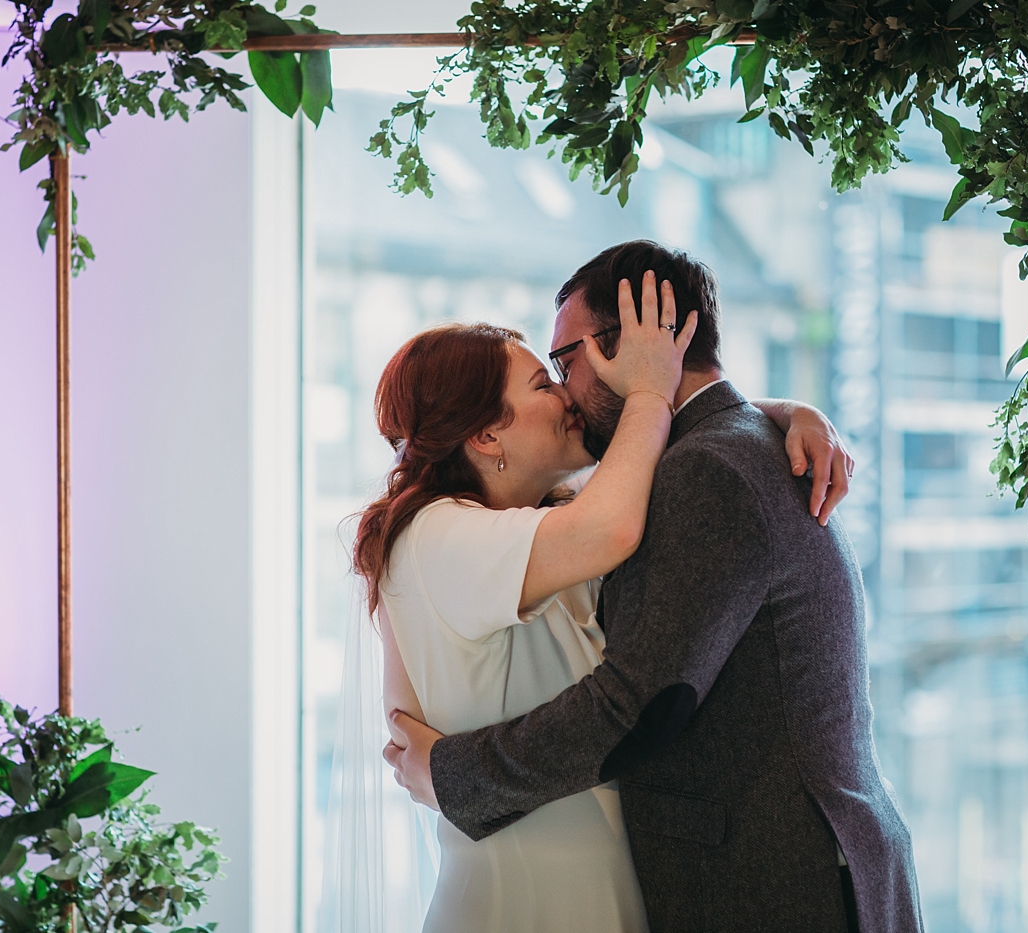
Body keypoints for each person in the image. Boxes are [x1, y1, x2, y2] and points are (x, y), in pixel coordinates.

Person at [383, 241, 924, 933]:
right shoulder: (718, 452)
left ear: (636, 343)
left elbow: (638, 704)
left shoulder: (708, 470)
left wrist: (453, 777)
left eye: (565, 364)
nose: (565, 391)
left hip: (775, 879)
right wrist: (778, 409)